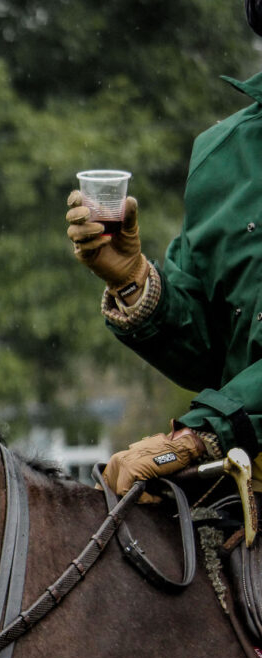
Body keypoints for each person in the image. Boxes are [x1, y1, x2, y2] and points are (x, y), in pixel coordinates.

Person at [66, 1, 262, 495]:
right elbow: (209, 356)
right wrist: (132, 279)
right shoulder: (221, 154)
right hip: (244, 483)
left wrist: (198, 436)